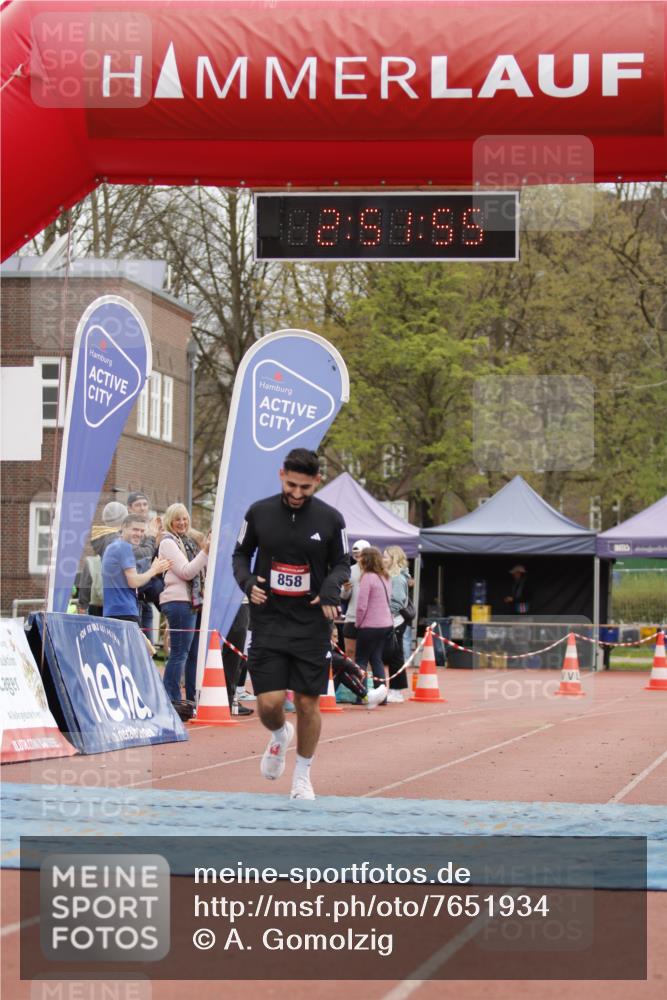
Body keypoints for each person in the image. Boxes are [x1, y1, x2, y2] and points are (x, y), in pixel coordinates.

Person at [232, 448, 350, 801]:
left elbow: (343, 563)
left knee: (307, 703)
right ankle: (280, 734)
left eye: (305, 488)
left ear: (317, 482)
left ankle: (302, 776)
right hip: (269, 620)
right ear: (281, 475)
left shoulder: (332, 519)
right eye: (291, 485)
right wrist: (248, 583)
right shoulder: (259, 512)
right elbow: (240, 554)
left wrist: (330, 588)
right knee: (268, 704)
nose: (297, 494)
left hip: (311, 624)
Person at [158, 503, 209, 705]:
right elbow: (187, 571)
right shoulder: (168, 543)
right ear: (170, 522)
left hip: (193, 601)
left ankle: (191, 698)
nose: (182, 522)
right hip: (178, 602)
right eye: (177, 519)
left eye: (185, 518)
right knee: (179, 653)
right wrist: (205, 552)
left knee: (193, 654)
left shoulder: (187, 541)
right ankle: (171, 699)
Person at [101, 514, 170, 623]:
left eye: (142, 531)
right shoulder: (124, 547)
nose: (139, 534)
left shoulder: (113, 546)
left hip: (113, 611)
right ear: (124, 527)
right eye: (135, 530)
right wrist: (154, 570)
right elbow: (133, 581)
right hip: (125, 612)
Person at [77, 501, 128, 615]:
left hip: (96, 603)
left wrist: (82, 605)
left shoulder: (97, 546)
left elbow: (86, 582)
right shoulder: (121, 542)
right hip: (119, 603)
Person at [355, 546, 393, 696]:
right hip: (385, 624)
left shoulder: (367, 577)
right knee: (377, 659)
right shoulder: (386, 577)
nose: (359, 560)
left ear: (366, 560)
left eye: (361, 557)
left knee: (361, 660)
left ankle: (362, 694)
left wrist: (358, 623)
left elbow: (361, 606)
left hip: (369, 625)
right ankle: (381, 695)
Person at [127, 491, 163, 636]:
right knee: (135, 648)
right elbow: (142, 556)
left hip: (146, 600)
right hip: (131, 600)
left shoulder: (151, 530)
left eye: (145, 504)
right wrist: (151, 538)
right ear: (129, 508)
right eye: (138, 505)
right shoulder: (128, 531)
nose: (142, 508)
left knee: (149, 650)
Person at [382, 545, 410, 703]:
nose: (383, 559)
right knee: (394, 655)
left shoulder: (397, 578)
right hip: (391, 620)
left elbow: (397, 602)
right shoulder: (390, 576)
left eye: (386, 557)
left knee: (395, 655)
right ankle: (393, 689)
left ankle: (397, 690)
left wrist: (384, 614)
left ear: (394, 559)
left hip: (396, 621)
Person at [341, 539, 371, 662]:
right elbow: (344, 597)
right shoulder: (350, 570)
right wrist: (345, 589)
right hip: (351, 617)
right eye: (356, 555)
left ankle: (365, 680)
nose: (358, 557)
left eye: (360, 554)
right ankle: (350, 680)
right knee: (349, 652)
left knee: (367, 654)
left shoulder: (375, 571)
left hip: (369, 619)